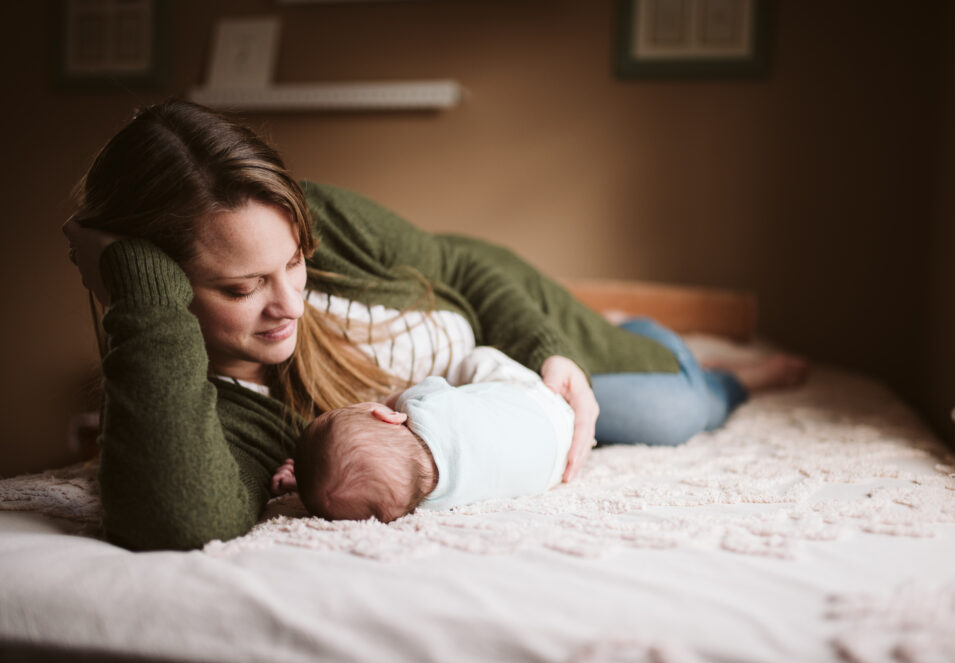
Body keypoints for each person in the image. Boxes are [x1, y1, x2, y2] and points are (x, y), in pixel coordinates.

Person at [63, 99, 807, 551]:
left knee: (671, 406)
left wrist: (549, 350)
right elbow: (175, 517)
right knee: (651, 414)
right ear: (160, 285)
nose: (288, 301)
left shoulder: (305, 214)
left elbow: (461, 263)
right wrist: (130, 271)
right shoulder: (235, 405)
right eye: (241, 287)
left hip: (505, 322)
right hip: (494, 400)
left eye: (294, 263)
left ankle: (703, 358)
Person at [272, 346, 575, 522]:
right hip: (548, 409)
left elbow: (349, 482)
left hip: (552, 467)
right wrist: (397, 399)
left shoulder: (428, 504)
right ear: (386, 415)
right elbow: (409, 395)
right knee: (476, 359)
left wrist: (305, 482)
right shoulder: (424, 407)